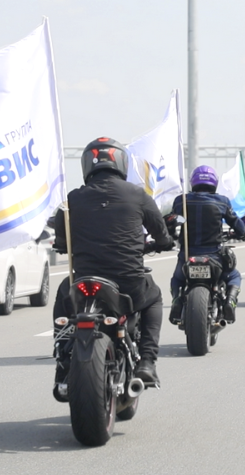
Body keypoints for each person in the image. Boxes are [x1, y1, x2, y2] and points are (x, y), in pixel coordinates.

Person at [51, 137, 175, 394]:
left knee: (65, 291)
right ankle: (148, 362)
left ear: (87, 165)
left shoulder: (72, 199)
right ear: (121, 164)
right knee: (154, 297)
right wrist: (160, 243)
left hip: (84, 280)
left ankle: (63, 362)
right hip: (128, 282)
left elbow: (61, 242)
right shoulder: (138, 195)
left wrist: (65, 245)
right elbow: (162, 236)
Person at [169, 165, 245, 325]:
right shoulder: (222, 202)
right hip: (214, 255)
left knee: (177, 278)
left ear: (193, 182)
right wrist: (241, 233)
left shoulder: (181, 201)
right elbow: (237, 224)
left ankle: (177, 301)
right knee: (234, 276)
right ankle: (230, 302)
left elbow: (173, 222)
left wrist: (173, 235)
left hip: (187, 255)